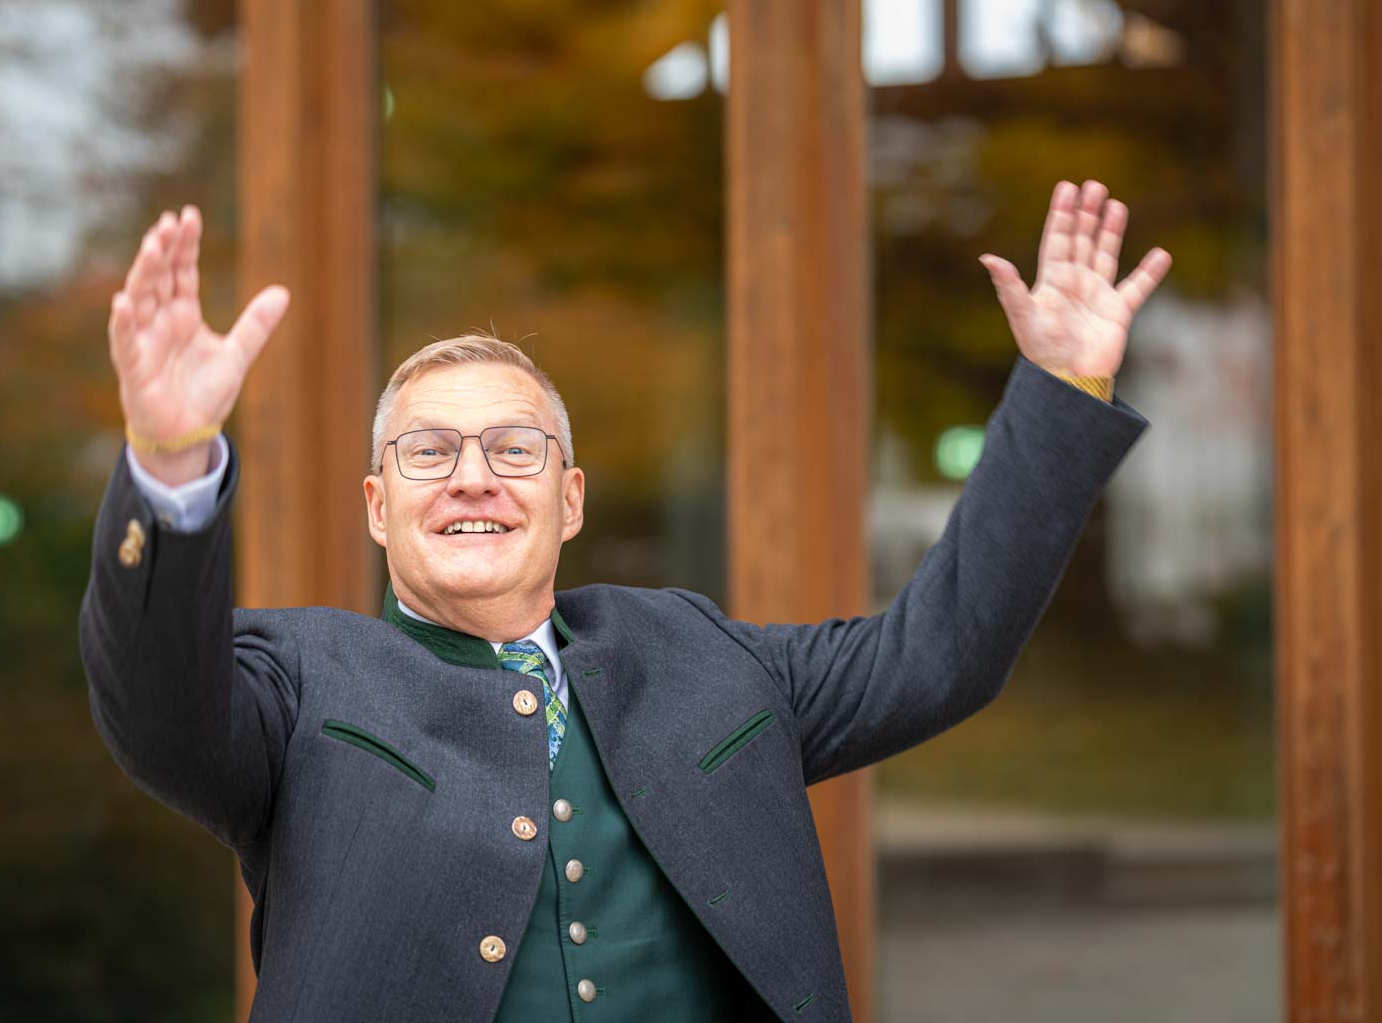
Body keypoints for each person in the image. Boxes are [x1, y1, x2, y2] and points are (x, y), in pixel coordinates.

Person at [87, 177, 1165, 1021]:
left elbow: (940, 654)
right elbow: (159, 707)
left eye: (514, 446)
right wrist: (171, 460)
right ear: (378, 506)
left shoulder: (697, 651)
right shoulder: (298, 678)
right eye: (428, 451)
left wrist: (1060, 392)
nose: (473, 475)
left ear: (570, 498)